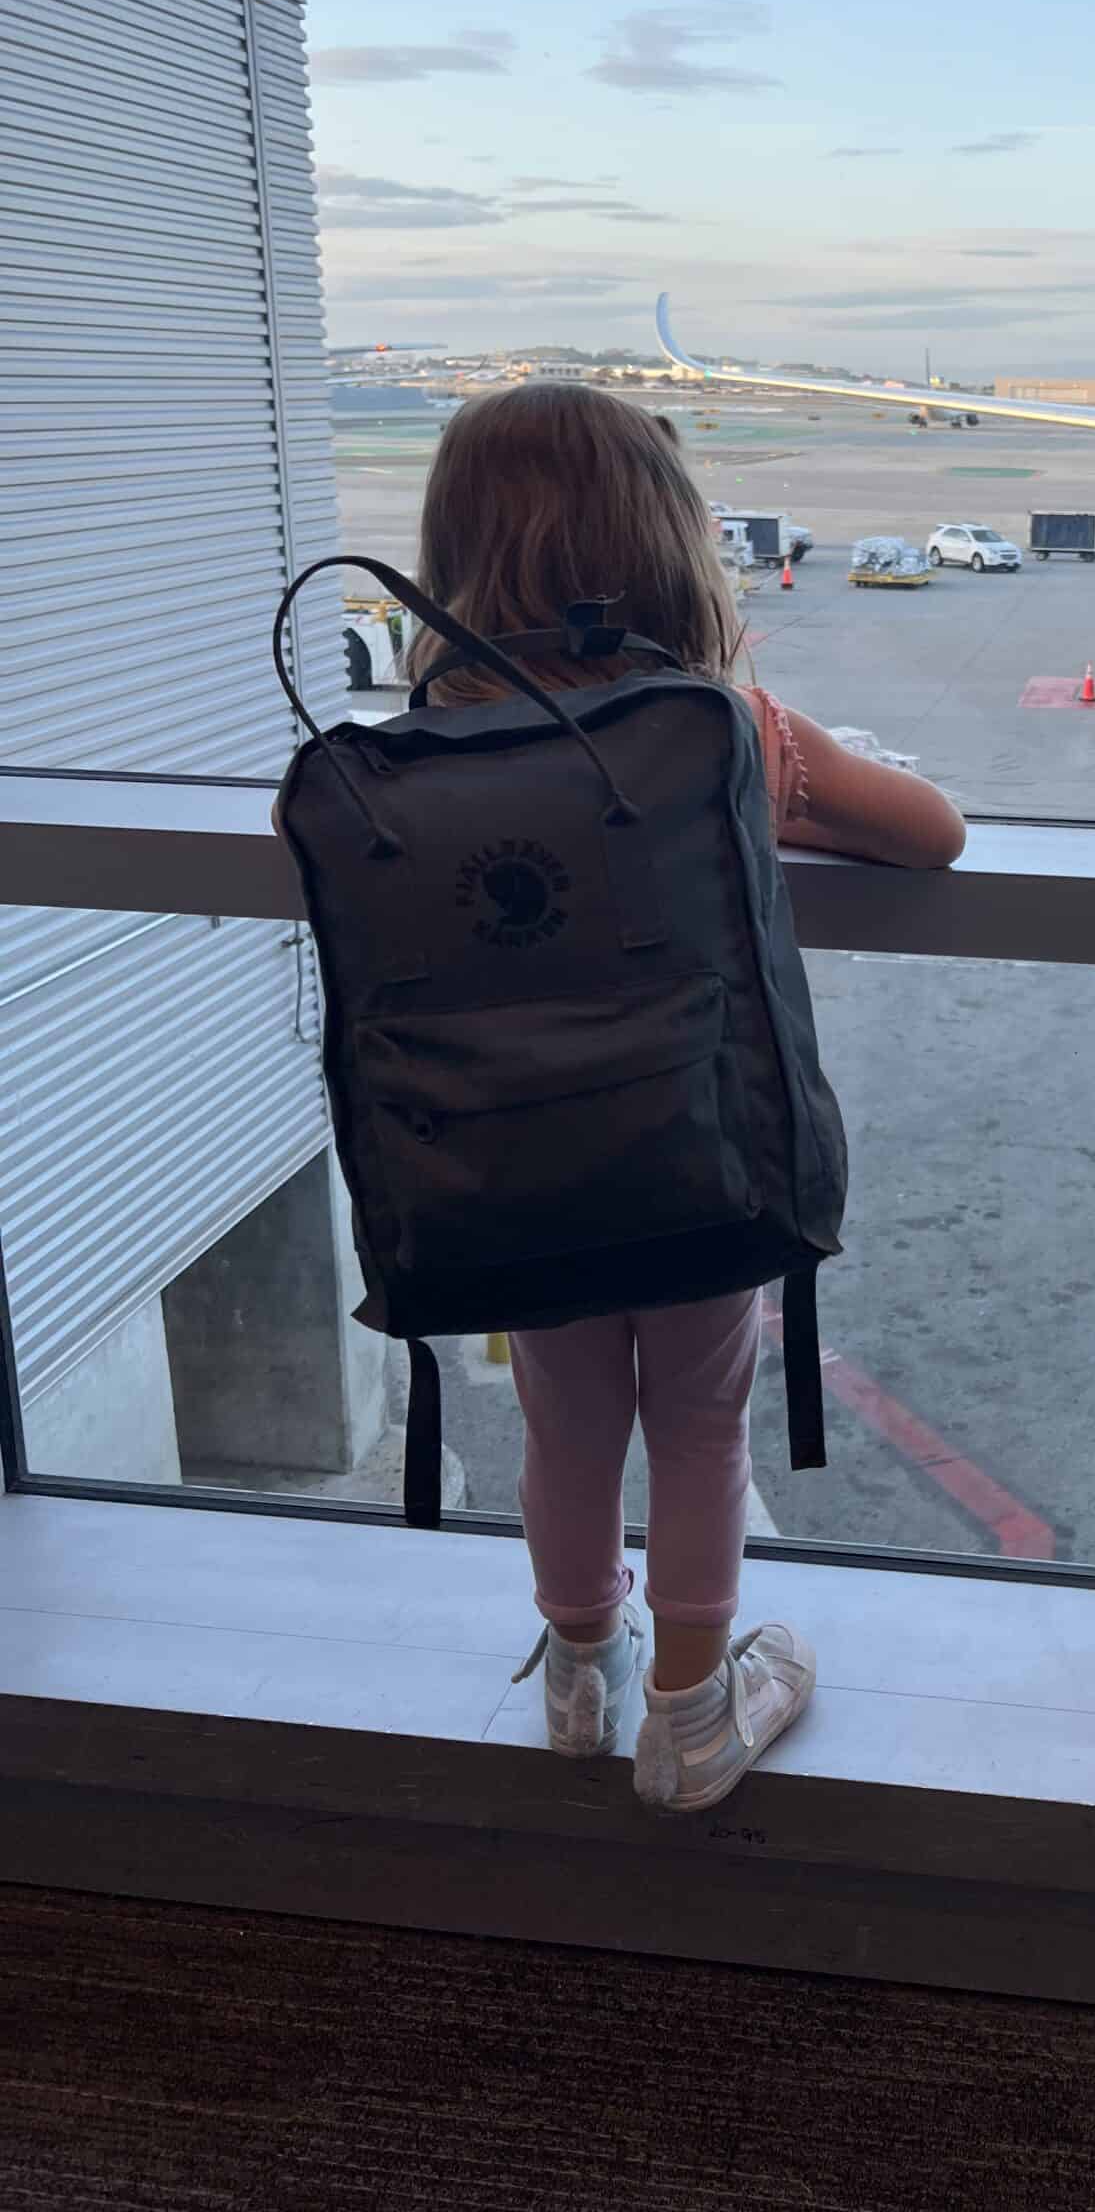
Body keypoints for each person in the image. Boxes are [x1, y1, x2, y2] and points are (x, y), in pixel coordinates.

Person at [406, 382, 965, 1808]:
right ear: (665, 547)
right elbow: (931, 834)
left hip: (516, 1161)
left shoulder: (425, 750)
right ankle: (695, 1715)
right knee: (702, 1422)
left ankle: (583, 1673)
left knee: (563, 1419)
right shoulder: (724, 730)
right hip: (699, 1149)